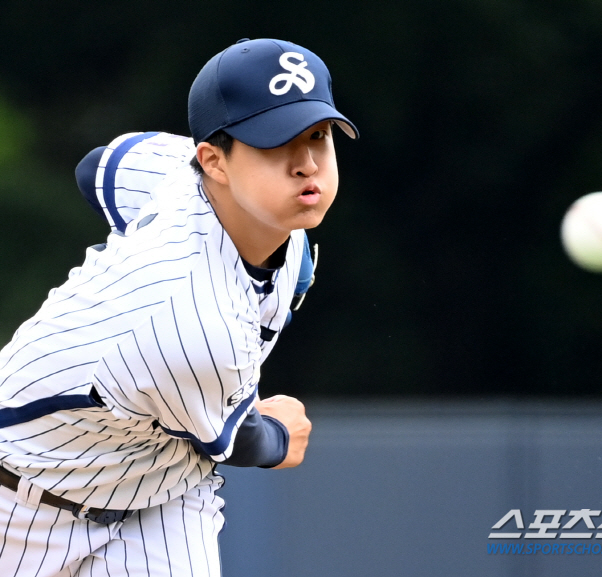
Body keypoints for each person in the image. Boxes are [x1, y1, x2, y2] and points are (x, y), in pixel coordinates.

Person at [0, 38, 358, 576]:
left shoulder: (177, 169)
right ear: (213, 160)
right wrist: (282, 435)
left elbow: (96, 168)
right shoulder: (189, 320)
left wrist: (133, 242)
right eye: (275, 143)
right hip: (23, 495)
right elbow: (245, 440)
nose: (306, 164)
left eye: (318, 135)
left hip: (163, 494)